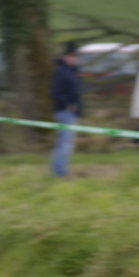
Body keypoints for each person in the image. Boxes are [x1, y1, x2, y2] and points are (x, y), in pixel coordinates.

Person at [50, 42, 82, 178]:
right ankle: (61, 171)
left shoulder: (72, 71)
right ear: (65, 56)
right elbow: (55, 92)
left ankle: (57, 169)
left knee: (64, 143)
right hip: (65, 112)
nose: (74, 58)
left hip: (71, 112)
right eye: (71, 55)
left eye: (76, 56)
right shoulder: (61, 71)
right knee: (65, 144)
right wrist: (68, 104)